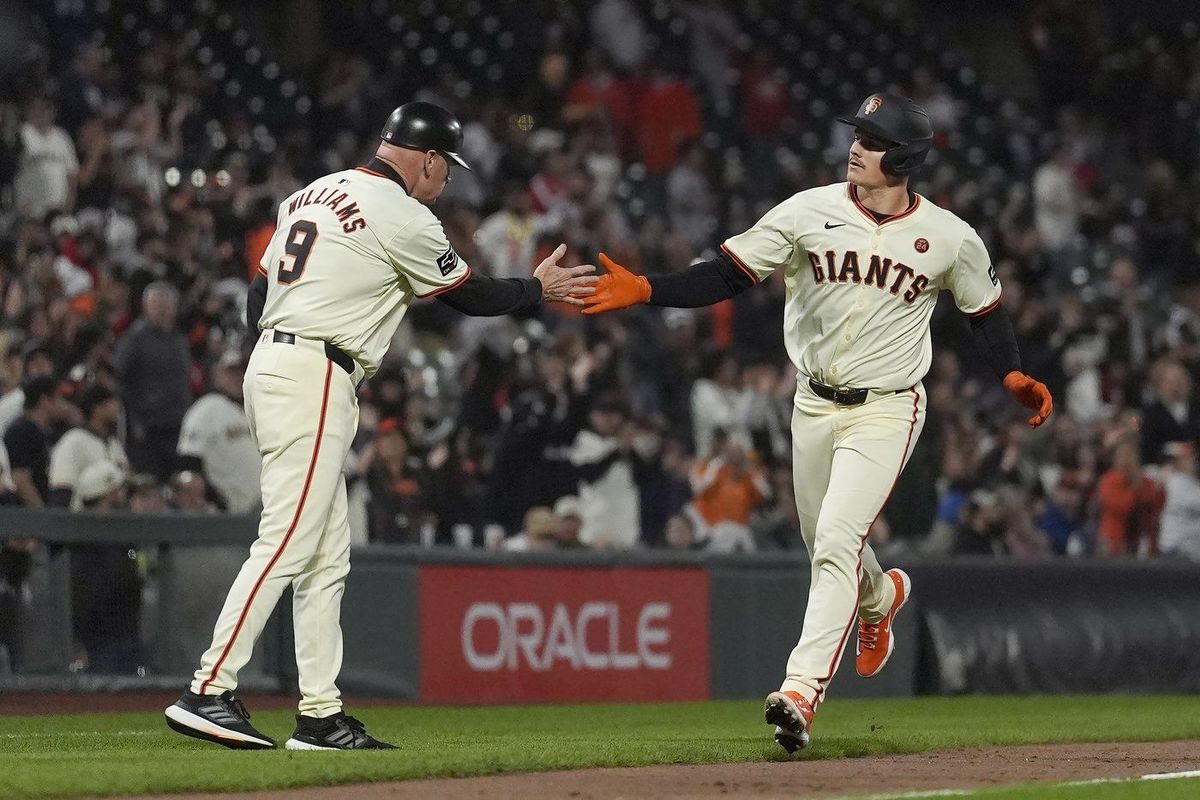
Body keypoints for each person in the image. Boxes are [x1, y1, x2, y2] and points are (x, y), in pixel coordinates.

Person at [579, 93, 1054, 752]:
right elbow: (726, 274)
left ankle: (800, 692)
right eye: (857, 134)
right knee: (825, 541)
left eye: (874, 138)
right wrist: (649, 289)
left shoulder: (948, 235)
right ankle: (880, 598)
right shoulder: (808, 211)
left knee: (835, 537)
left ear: (907, 157)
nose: (857, 146)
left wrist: (1010, 373)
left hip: (889, 405)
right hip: (812, 402)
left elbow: (986, 311)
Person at [165, 101, 595, 751]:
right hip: (312, 374)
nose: (447, 179)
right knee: (287, 539)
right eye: (446, 167)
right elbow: (471, 297)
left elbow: (258, 292)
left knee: (325, 555)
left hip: (280, 362)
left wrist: (287, 338)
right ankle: (209, 688)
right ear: (425, 160)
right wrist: (536, 289)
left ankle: (319, 714)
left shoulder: (312, 192)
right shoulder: (404, 214)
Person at [113, 282, 191, 480]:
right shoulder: (135, 339)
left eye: (165, 306)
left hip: (177, 423)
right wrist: (134, 420)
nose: (161, 311)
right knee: (151, 479)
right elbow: (118, 377)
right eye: (156, 306)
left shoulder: (179, 338)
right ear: (146, 308)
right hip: (148, 427)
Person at [176, 352, 261, 513]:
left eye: (241, 371)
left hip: (260, 511)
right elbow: (189, 461)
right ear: (217, 374)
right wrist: (215, 500)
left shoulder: (252, 409)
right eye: (231, 372)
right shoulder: (206, 408)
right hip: (223, 511)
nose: (237, 377)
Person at [47, 383, 128, 507]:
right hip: (80, 520)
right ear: (97, 408)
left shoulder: (113, 444)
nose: (116, 408)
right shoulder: (73, 440)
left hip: (113, 520)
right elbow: (62, 489)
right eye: (111, 403)